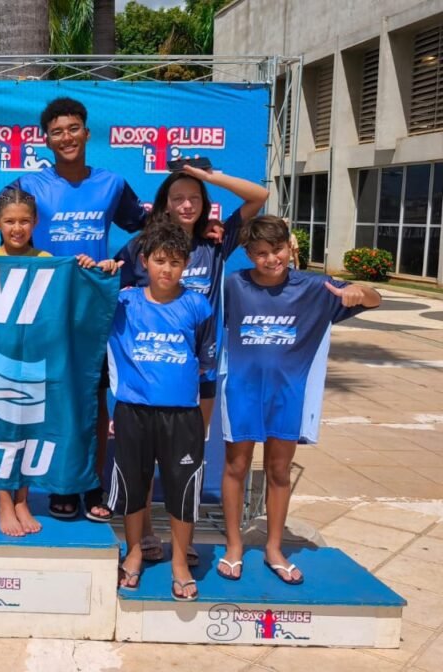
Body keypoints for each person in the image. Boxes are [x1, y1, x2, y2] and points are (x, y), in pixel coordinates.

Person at [0, 97, 149, 522]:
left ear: (86, 132)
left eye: (73, 128)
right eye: (57, 131)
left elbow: (149, 230)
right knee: (36, 399)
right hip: (35, 314)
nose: (66, 137)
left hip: (87, 312)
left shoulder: (113, 183)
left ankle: (87, 481)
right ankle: (57, 485)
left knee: (91, 401)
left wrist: (200, 229)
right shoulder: (28, 184)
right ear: (46, 138)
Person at [114, 165, 268, 564]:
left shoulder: (216, 242)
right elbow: (111, 288)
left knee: (189, 459)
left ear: (206, 205)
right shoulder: (140, 246)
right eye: (178, 198)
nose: (186, 205)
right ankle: (145, 533)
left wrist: (208, 175)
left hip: (200, 373)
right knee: (143, 461)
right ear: (164, 203)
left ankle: (184, 540)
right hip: (149, 377)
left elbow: (258, 196)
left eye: (194, 198)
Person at [219, 215, 381, 583]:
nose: (270, 259)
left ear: (289, 247)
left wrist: (359, 289)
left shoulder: (315, 287)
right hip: (241, 392)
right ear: (248, 254)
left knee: (278, 470)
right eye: (260, 253)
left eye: (276, 250)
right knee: (235, 467)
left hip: (288, 395)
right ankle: (233, 546)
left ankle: (274, 548)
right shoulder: (234, 286)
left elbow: (375, 299)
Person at [0, 187, 117, 536]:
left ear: (36, 222)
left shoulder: (48, 261)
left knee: (29, 431)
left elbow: (76, 298)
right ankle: (2, 501)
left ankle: (22, 499)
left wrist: (92, 271)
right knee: (0, 430)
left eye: (24, 221)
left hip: (34, 363)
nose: (17, 228)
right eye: (10, 221)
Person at [106, 219, 215, 601]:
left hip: (181, 416)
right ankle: (134, 552)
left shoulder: (197, 305)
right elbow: (83, 293)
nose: (166, 270)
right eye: (159, 260)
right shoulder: (124, 301)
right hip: (133, 412)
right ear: (144, 261)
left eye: (175, 262)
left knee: (182, 491)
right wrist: (103, 270)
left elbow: (204, 365)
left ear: (185, 265)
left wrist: (201, 420)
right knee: (134, 489)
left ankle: (180, 562)